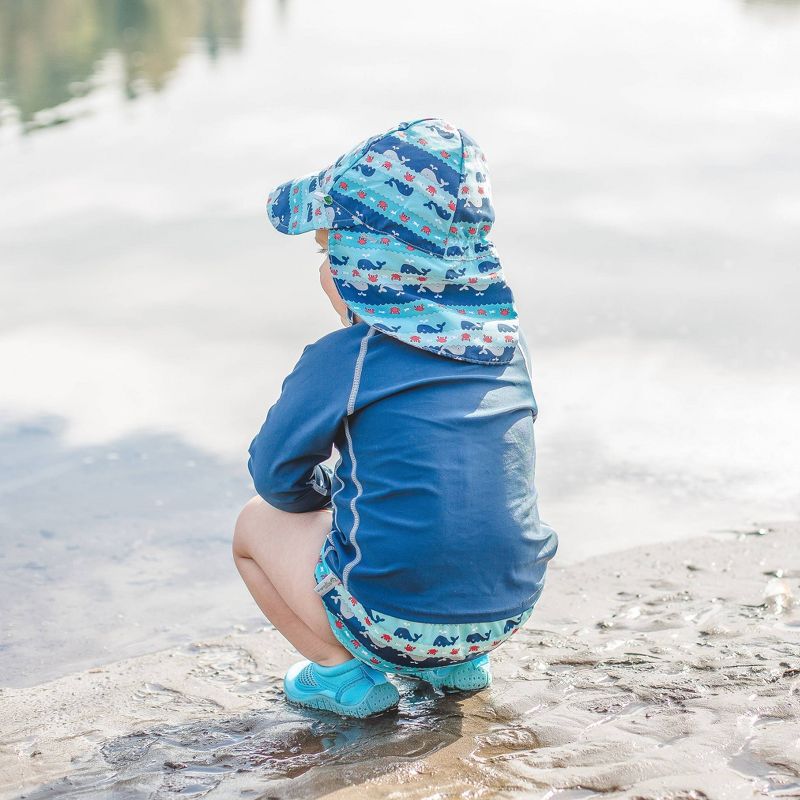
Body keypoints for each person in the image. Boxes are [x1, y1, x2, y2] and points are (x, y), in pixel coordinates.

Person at [232, 117, 558, 718]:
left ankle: (344, 676)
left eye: (329, 249)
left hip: (389, 622)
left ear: (367, 263)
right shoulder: (506, 349)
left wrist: (330, 497)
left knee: (253, 528)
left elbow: (275, 475)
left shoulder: (347, 358)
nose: (323, 267)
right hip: (507, 609)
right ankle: (459, 667)